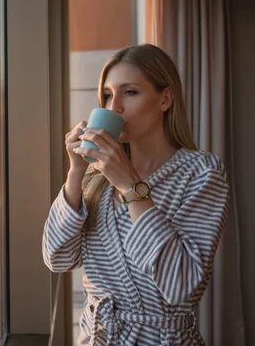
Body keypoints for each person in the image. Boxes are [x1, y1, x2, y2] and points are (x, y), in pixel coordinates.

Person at [43, 44, 230, 345]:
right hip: (97, 338)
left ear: (165, 99)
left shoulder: (201, 172)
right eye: (107, 95)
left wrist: (130, 186)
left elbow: (181, 285)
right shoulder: (96, 177)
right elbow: (57, 258)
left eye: (129, 92)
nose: (114, 106)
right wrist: (76, 171)